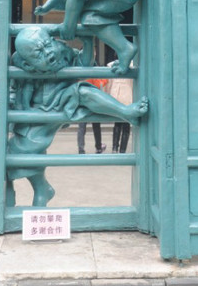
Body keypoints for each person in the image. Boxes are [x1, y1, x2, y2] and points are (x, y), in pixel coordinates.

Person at [8, 26, 148, 206]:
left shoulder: (62, 51)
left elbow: (84, 64)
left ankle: (125, 112)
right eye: (38, 54)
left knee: (84, 92)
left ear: (52, 41)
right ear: (27, 64)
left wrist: (88, 41)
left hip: (63, 98)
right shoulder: (20, 63)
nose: (48, 53)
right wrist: (7, 101)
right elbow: (15, 91)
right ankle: (41, 189)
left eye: (47, 45)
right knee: (23, 148)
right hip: (37, 109)